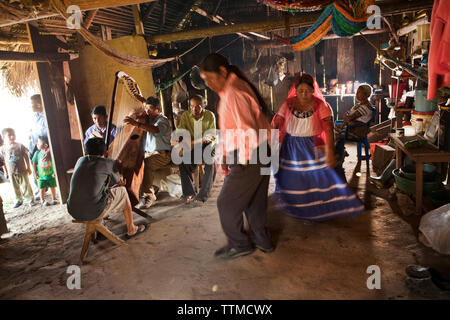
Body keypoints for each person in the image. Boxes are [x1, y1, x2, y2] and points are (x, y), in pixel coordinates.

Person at [200, 53, 273, 260]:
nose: (209, 84)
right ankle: (263, 241)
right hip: (262, 151)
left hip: (249, 155)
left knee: (226, 203)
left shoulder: (233, 92)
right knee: (255, 202)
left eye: (210, 78)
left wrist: (242, 162)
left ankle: (240, 244)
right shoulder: (234, 88)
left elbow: (247, 130)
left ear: (222, 71)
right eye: (205, 81)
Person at [271, 74, 364, 222]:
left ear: (313, 90)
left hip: (311, 146)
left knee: (316, 178)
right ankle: (298, 208)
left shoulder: (321, 106)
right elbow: (278, 121)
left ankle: (313, 211)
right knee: (294, 179)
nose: (304, 94)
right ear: (295, 90)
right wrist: (273, 129)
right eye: (300, 90)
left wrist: (330, 152)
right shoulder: (288, 104)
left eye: (307, 91)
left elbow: (328, 129)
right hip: (291, 147)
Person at [67, 138, 148, 238]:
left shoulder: (80, 160)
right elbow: (120, 183)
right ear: (105, 152)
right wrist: (116, 167)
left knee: (99, 192)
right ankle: (131, 229)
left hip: (72, 210)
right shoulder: (108, 163)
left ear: (86, 152)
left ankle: (99, 228)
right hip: (92, 212)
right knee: (122, 191)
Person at [123, 96, 172, 209]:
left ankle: (149, 195)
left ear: (158, 109)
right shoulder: (149, 118)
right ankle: (147, 189)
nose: (147, 112)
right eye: (146, 109)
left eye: (150, 109)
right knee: (136, 162)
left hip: (163, 155)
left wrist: (136, 124)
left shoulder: (162, 120)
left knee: (146, 164)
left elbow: (155, 130)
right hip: (151, 153)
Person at [177, 94, 217, 203]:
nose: (195, 109)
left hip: (209, 145)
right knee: (182, 160)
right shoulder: (186, 116)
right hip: (194, 145)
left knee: (210, 161)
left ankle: (203, 195)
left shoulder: (210, 115)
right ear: (190, 107)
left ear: (204, 105)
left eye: (198, 106)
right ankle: (189, 193)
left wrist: (194, 142)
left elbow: (211, 136)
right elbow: (181, 133)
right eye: (192, 106)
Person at [334, 84, 374, 156]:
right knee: (333, 130)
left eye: (359, 92)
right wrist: (349, 119)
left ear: (366, 94)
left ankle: (338, 153)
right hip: (351, 128)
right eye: (356, 92)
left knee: (334, 133)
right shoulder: (358, 106)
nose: (356, 94)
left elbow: (349, 117)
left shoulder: (366, 107)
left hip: (357, 131)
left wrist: (349, 119)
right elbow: (346, 117)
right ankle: (340, 150)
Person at [0, 128, 36, 208]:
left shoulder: (20, 145)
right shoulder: (3, 149)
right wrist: (6, 172)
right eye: (9, 135)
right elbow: (3, 161)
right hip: (11, 172)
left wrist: (28, 168)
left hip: (22, 170)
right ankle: (18, 200)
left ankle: (30, 199)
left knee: (26, 185)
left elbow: (26, 157)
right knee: (14, 187)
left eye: (13, 134)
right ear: (3, 137)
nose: (12, 137)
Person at [28, 94, 48, 198]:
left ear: (39, 104)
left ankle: (46, 187)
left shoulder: (46, 116)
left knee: (44, 165)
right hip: (34, 144)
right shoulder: (35, 115)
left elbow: (46, 132)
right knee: (34, 165)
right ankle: (39, 188)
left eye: (32, 104)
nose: (30, 106)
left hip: (43, 144)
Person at [31, 136, 58, 206]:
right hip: (41, 176)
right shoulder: (37, 153)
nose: (37, 144)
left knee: (53, 187)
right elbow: (34, 163)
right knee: (41, 188)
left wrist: (55, 172)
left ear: (45, 145)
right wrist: (35, 172)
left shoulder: (50, 153)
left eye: (38, 143)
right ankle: (42, 200)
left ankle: (54, 198)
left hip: (51, 174)